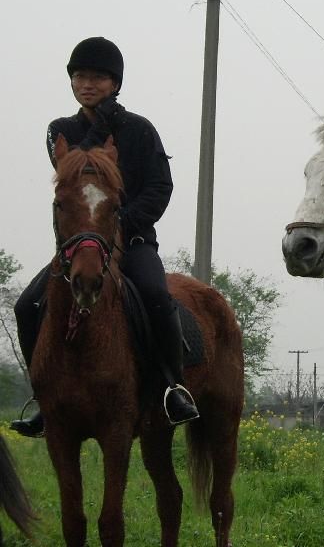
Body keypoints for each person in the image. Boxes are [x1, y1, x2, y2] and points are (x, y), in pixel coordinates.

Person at [11, 36, 199, 437]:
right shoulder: (59, 130)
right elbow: (77, 170)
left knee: (156, 296)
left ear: (115, 83)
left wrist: (123, 224)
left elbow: (160, 187)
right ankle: (43, 398)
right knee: (27, 305)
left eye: (97, 77)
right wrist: (104, 124)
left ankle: (172, 386)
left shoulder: (141, 129)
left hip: (131, 242)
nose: (87, 84)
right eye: (80, 77)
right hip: (79, 246)